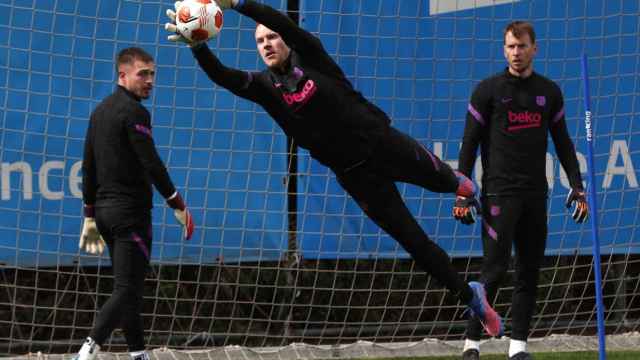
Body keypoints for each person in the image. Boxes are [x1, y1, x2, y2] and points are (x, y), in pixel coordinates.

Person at [163, 0, 503, 337]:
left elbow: (283, 23)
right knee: (414, 242)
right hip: (356, 175)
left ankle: (464, 188)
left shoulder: (312, 57)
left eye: (272, 38)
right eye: (260, 41)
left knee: (449, 182)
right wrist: (198, 47)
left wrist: (238, 4)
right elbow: (222, 77)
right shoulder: (264, 88)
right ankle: (473, 297)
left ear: (286, 40)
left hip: (383, 142)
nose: (267, 44)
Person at [454, 21, 589, 360]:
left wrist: (578, 186)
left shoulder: (549, 92)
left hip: (535, 195)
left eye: (522, 46)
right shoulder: (487, 91)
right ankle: (472, 344)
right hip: (499, 194)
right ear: (504, 50)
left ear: (534, 48)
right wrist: (461, 191)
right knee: (494, 271)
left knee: (529, 270)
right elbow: (469, 144)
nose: (516, 53)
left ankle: (518, 348)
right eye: (511, 47)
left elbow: (564, 143)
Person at [75, 47, 195, 360]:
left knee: (129, 290)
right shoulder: (134, 112)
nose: (150, 80)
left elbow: (88, 167)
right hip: (130, 215)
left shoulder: (99, 111)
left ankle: (138, 354)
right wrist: (177, 204)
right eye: (143, 73)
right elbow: (152, 163)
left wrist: (89, 216)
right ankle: (86, 352)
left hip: (105, 214)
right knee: (127, 289)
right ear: (122, 75)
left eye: (152, 74)